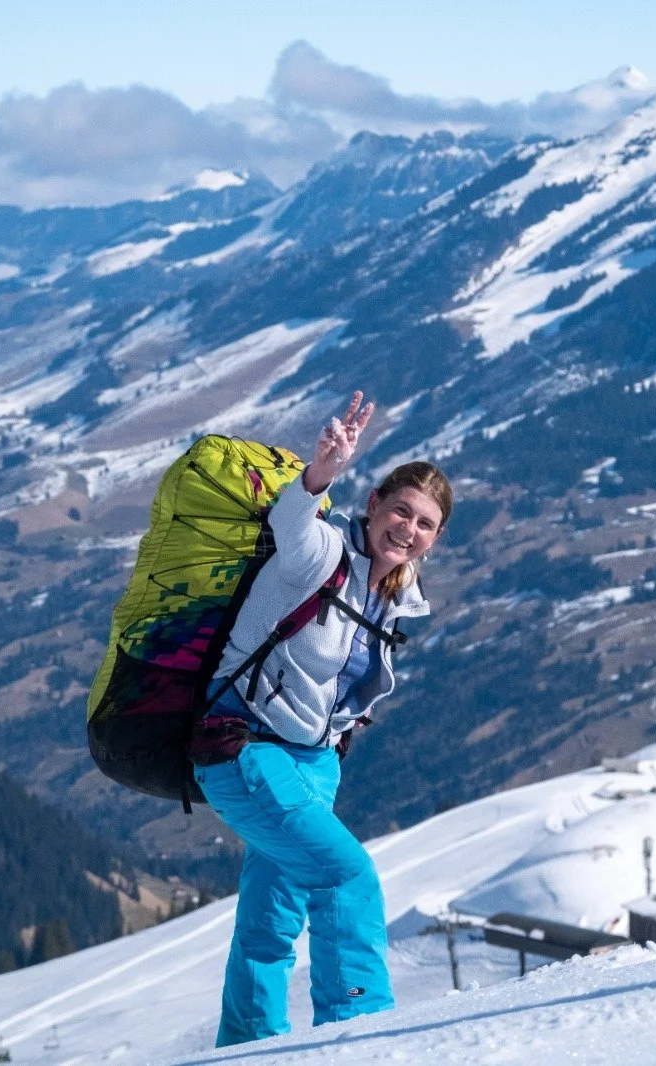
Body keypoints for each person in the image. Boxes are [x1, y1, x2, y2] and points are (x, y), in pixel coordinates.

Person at [190, 390, 453, 1047]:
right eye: (401, 510)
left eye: (425, 524)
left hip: (313, 765)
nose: (408, 529)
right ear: (374, 506)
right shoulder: (323, 558)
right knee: (346, 874)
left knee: (271, 916)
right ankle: (357, 1031)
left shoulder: (396, 597)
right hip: (244, 745)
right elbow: (293, 522)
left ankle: (247, 1045)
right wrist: (320, 474)